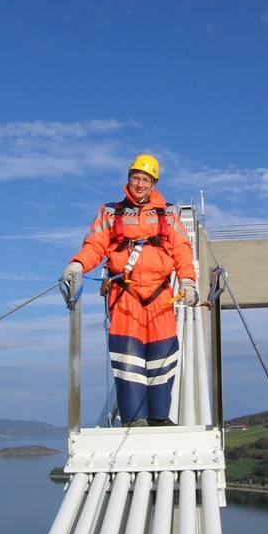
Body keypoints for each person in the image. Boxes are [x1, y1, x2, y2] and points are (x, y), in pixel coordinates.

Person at [62, 153, 198, 427]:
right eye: (135, 178)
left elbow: (182, 249)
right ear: (128, 180)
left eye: (145, 179)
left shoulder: (168, 213)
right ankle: (135, 419)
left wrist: (188, 281)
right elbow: (95, 245)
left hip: (160, 296)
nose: (139, 184)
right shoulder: (110, 212)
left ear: (154, 183)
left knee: (163, 356)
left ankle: (159, 417)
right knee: (128, 358)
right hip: (125, 295)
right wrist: (78, 264)